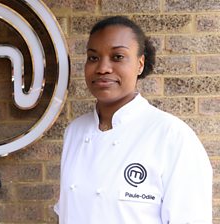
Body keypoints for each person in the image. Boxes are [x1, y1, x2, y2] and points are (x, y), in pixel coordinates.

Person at [54, 16, 213, 224]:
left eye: (118, 57)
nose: (103, 67)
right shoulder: (75, 132)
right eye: (93, 58)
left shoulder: (172, 136)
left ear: (140, 64)